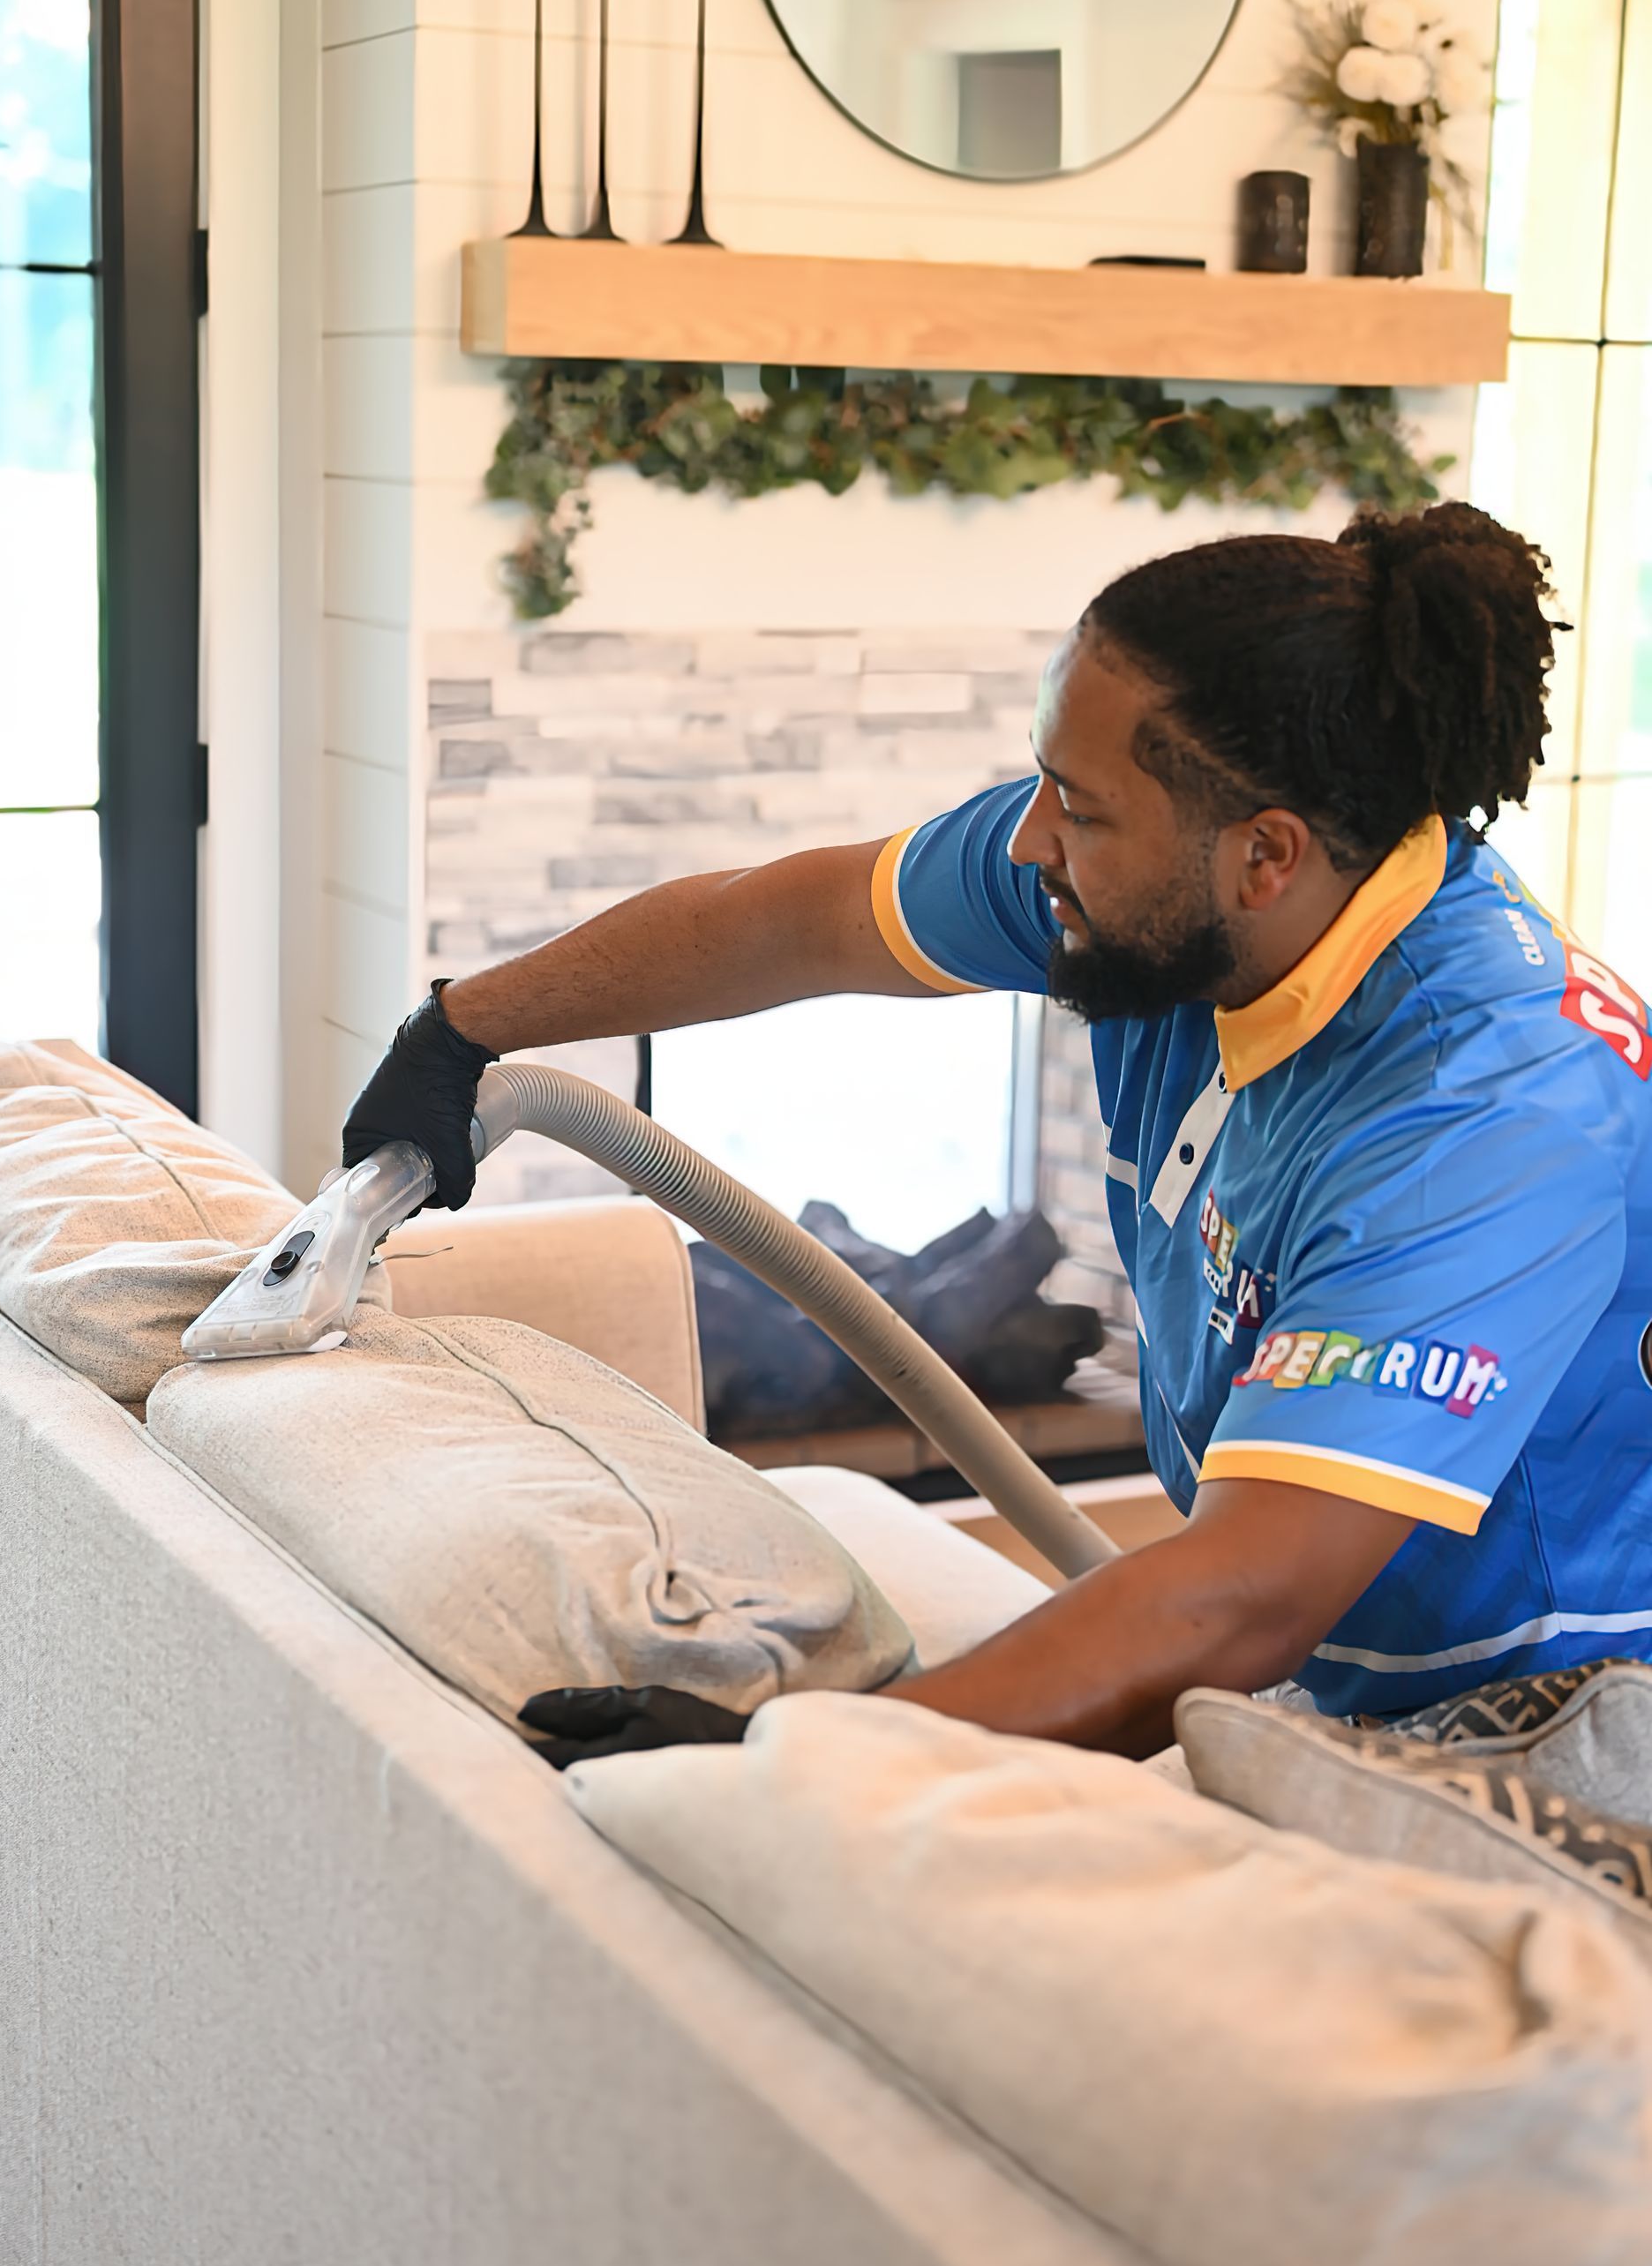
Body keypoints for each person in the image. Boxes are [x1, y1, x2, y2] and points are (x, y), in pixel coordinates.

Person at [344, 502, 1652, 1762]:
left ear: (1266, 856)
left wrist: (808, 1745)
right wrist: (464, 1029)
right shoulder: (1143, 880)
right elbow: (787, 918)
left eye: (1077, 806)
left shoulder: (1484, 1108)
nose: (1030, 837)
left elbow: (1244, 1595)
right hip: (1319, 1667)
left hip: (1555, 1718)